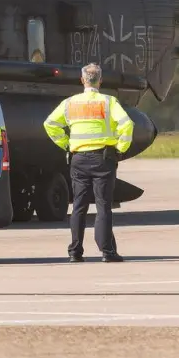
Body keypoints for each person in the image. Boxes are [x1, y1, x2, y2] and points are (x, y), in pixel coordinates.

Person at [43, 63, 133, 263]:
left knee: (79, 206)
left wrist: (66, 144)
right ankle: (107, 252)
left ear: (82, 80)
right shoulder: (109, 102)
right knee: (103, 206)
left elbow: (49, 123)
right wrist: (121, 148)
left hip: (78, 159)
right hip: (103, 158)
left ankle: (75, 251)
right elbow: (127, 123)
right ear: (100, 80)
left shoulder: (70, 103)